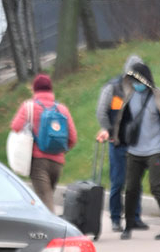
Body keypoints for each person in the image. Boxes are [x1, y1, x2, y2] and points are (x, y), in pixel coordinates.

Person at [110, 60, 160, 240]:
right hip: (134, 151)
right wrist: (117, 138)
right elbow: (122, 121)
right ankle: (129, 225)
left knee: (156, 186)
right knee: (131, 188)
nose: (136, 84)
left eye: (139, 80)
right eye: (133, 80)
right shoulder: (129, 97)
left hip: (155, 150)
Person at [94, 55, 148, 233]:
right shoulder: (113, 88)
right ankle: (116, 218)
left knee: (135, 182)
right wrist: (109, 131)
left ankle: (135, 217)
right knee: (118, 181)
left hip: (136, 143)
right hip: (117, 142)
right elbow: (101, 112)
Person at [10, 74, 78, 212]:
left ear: (35, 89)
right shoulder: (62, 109)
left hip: (38, 162)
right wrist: (61, 151)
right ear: (50, 89)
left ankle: (53, 232)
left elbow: (15, 126)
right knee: (44, 199)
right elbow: (72, 137)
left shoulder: (29, 107)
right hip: (57, 163)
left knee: (45, 202)